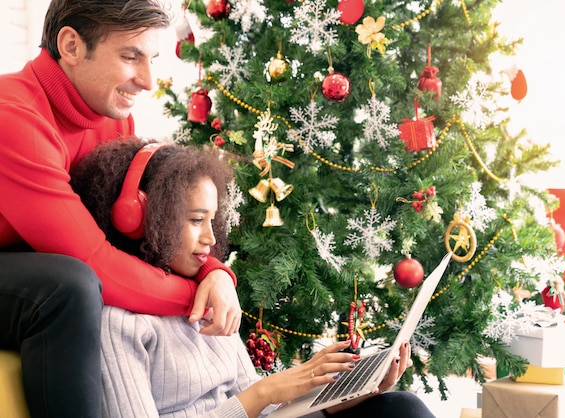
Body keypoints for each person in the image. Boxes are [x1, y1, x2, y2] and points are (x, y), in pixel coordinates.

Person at [69, 138, 436, 418]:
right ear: (138, 219)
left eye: (212, 220)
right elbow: (253, 403)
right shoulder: (118, 324)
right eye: (196, 220)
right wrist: (260, 394)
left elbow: (262, 414)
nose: (211, 239)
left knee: (399, 407)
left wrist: (342, 397)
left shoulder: (206, 293)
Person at [0, 1, 240, 417]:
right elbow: (93, 261)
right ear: (71, 46)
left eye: (153, 59)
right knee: (68, 285)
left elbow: (142, 228)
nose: (147, 81)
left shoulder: (112, 120)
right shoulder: (12, 117)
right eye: (130, 57)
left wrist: (214, 274)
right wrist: (195, 295)